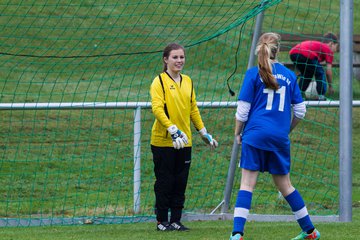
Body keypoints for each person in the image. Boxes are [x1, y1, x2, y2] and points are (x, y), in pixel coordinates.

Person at [229, 33, 320, 240]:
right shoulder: (289, 75)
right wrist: (285, 131)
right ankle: (310, 231)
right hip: (278, 138)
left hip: (254, 135)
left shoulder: (253, 74)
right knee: (286, 186)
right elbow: (300, 111)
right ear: (277, 50)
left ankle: (237, 234)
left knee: (247, 184)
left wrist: (237, 133)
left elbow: (242, 111)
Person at [150, 43, 218, 231]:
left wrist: (204, 133)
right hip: (163, 141)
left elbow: (193, 109)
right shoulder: (159, 81)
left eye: (182, 57)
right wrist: (172, 129)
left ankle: (176, 220)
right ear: (165, 59)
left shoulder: (188, 81)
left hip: (184, 141)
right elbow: (157, 108)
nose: (179, 61)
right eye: (175, 57)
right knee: (165, 182)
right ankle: (162, 221)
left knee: (180, 182)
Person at [289, 32, 338, 100]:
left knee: (307, 75)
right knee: (320, 72)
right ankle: (321, 96)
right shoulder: (328, 49)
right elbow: (328, 71)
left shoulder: (319, 46)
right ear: (331, 44)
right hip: (306, 54)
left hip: (293, 53)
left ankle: (298, 95)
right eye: (336, 46)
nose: (336, 50)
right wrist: (330, 86)